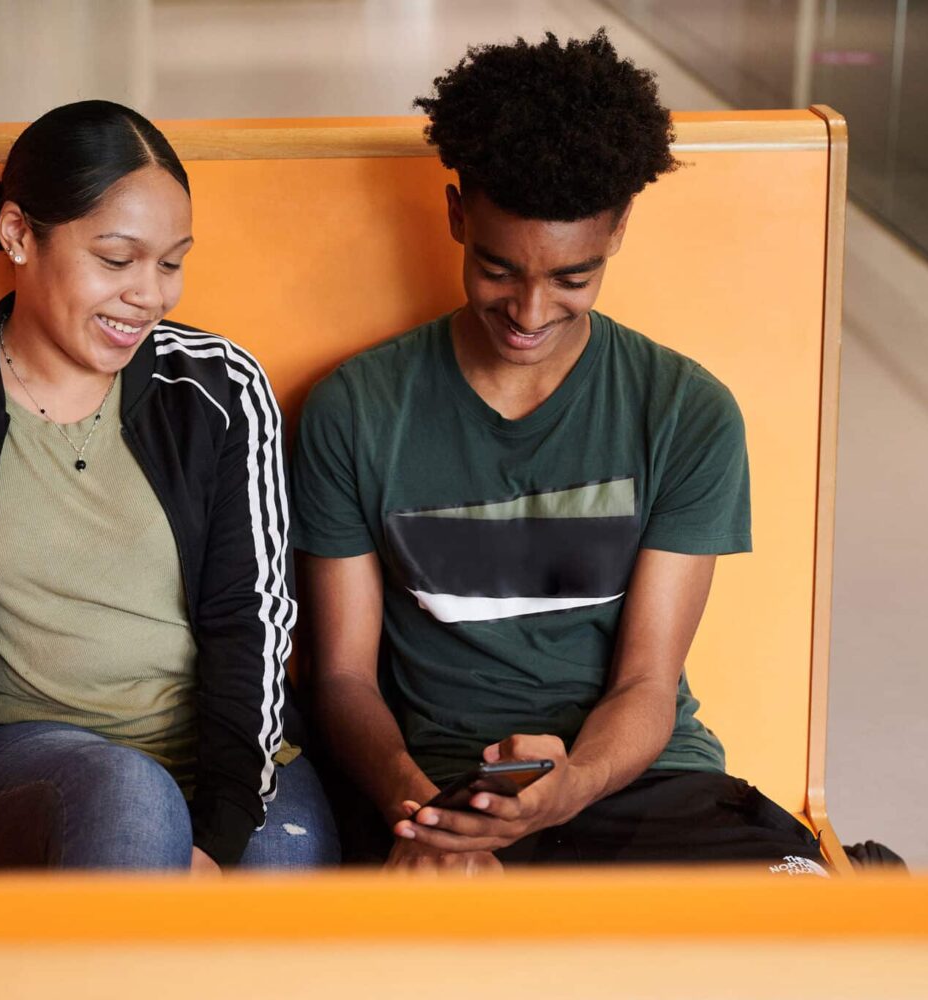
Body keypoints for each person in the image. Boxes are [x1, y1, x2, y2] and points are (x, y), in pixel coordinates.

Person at [292, 32, 827, 874]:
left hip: (636, 782)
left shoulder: (687, 413)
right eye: (497, 269)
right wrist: (430, 819)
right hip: (437, 787)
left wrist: (571, 783)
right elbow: (345, 682)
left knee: (810, 930)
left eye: (571, 279)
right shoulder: (355, 410)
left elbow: (648, 685)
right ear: (458, 216)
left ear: (618, 230)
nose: (530, 312)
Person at [0, 100, 337, 871]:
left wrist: (217, 835)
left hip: (227, 767)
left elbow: (253, 619)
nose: (151, 294)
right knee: (127, 798)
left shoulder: (218, 391)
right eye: (117, 260)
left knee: (268, 900)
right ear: (19, 235)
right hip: (30, 770)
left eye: (172, 262)